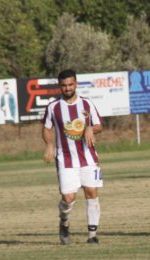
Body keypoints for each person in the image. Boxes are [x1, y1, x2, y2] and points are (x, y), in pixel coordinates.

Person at [42, 69, 103, 245]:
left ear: (76, 84)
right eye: (64, 85)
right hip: (66, 159)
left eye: (70, 84)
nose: (67, 88)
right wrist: (49, 144)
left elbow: (99, 125)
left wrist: (91, 128)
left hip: (88, 157)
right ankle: (64, 222)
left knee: (91, 192)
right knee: (68, 198)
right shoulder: (53, 107)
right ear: (59, 86)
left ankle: (92, 236)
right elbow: (46, 128)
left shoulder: (87, 104)